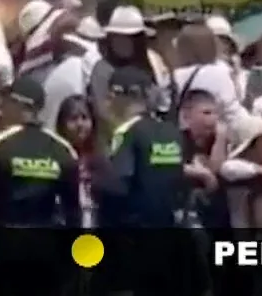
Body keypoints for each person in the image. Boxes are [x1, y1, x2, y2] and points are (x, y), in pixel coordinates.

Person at [93, 65, 187, 227]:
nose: (107, 103)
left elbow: (118, 186)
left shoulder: (127, 132)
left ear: (118, 95)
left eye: (109, 96)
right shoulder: (172, 132)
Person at [0, 78, 80, 227]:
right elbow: (73, 212)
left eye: (6, 101)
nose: (2, 107)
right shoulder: (63, 149)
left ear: (16, 104)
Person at [170, 23, 248, 142]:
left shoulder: (175, 76)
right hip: (216, 139)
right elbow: (232, 111)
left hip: (183, 139)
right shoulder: (220, 72)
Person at [88, 6, 163, 118]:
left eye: (131, 37)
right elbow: (103, 112)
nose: (124, 42)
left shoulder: (149, 64)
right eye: (118, 37)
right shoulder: (102, 70)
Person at [177, 90, 228, 234]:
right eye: (206, 113)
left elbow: (218, 170)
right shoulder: (178, 140)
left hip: (216, 215)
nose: (213, 118)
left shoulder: (221, 140)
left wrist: (220, 139)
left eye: (215, 113)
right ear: (187, 116)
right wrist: (203, 175)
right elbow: (172, 167)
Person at [52, 94, 99, 227]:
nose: (80, 124)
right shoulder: (55, 156)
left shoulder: (102, 158)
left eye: (84, 118)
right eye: (73, 119)